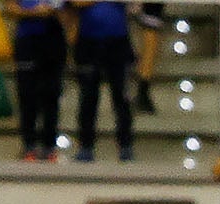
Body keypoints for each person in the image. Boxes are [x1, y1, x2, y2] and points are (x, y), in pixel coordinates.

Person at [68, 0, 134, 161]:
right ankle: (86, 146)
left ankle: (125, 145)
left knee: (121, 96)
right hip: (88, 41)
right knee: (88, 96)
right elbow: (76, 3)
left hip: (118, 41)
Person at [7, 0, 69, 160]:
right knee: (27, 94)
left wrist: (54, 12)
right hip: (28, 40)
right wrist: (35, 12)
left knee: (51, 94)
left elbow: (68, 9)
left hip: (54, 39)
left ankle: (49, 146)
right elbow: (10, 8)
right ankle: (29, 146)